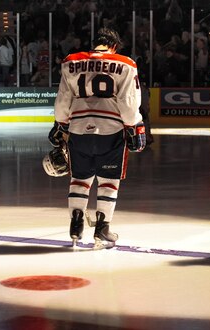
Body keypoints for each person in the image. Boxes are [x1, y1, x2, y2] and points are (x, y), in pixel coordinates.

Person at [49, 27, 146, 249]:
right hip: (110, 130)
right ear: (114, 46)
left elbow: (63, 99)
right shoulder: (126, 64)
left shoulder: (71, 62)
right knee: (108, 181)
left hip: (78, 128)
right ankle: (102, 230)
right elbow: (128, 102)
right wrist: (134, 127)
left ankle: (76, 226)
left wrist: (60, 124)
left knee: (79, 179)